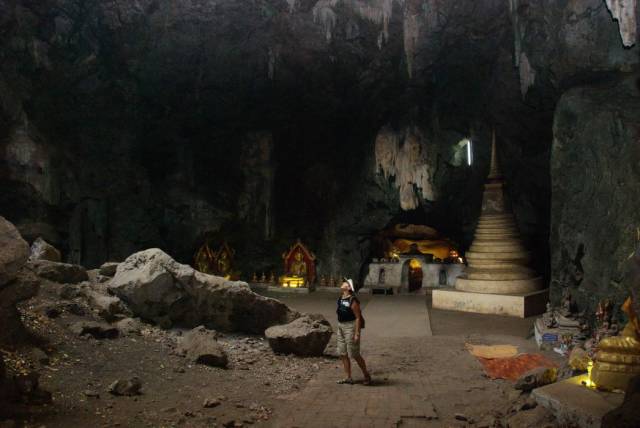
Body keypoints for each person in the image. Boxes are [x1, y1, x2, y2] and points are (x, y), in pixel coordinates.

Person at [336, 278, 371, 385]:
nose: (342, 284)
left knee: (354, 354)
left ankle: (366, 375)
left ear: (349, 287)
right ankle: (348, 377)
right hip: (340, 326)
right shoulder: (341, 298)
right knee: (342, 353)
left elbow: (357, 318)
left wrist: (357, 333)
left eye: (345, 283)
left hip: (350, 327)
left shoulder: (353, 300)